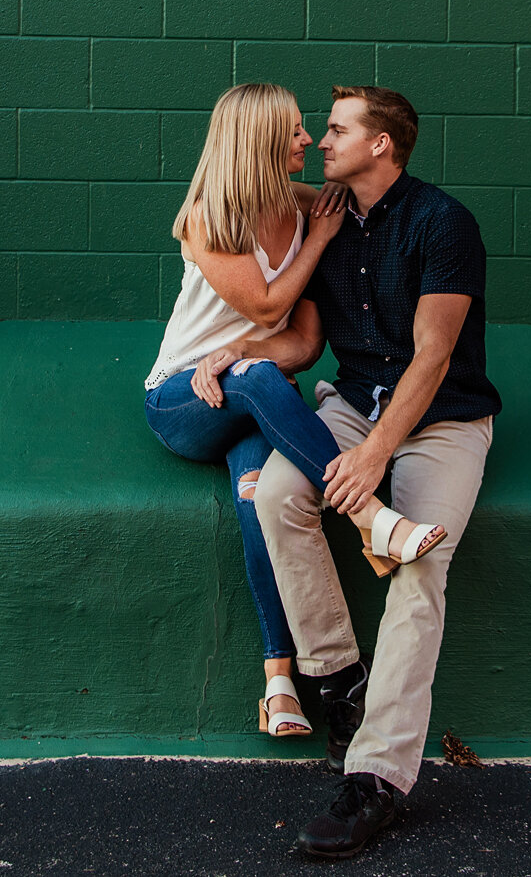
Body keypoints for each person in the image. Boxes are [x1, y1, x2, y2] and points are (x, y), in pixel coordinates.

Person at [191, 85, 499, 860]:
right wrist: (243, 353)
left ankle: (376, 779)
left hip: (443, 419)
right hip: (353, 403)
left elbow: (433, 356)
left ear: (382, 145)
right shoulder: (324, 217)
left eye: (336, 131)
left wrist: (373, 452)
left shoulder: (443, 223)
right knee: (277, 496)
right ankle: (339, 680)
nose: (322, 142)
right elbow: (302, 342)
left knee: (419, 566)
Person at [143, 82, 452, 744]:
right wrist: (317, 243)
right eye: (294, 131)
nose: (309, 140)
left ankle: (280, 680)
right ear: (257, 140)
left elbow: (304, 343)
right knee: (257, 374)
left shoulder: (312, 207)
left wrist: (244, 350)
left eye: (314, 128)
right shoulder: (207, 214)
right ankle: (370, 516)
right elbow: (264, 302)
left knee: (259, 496)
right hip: (182, 399)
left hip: (258, 398)